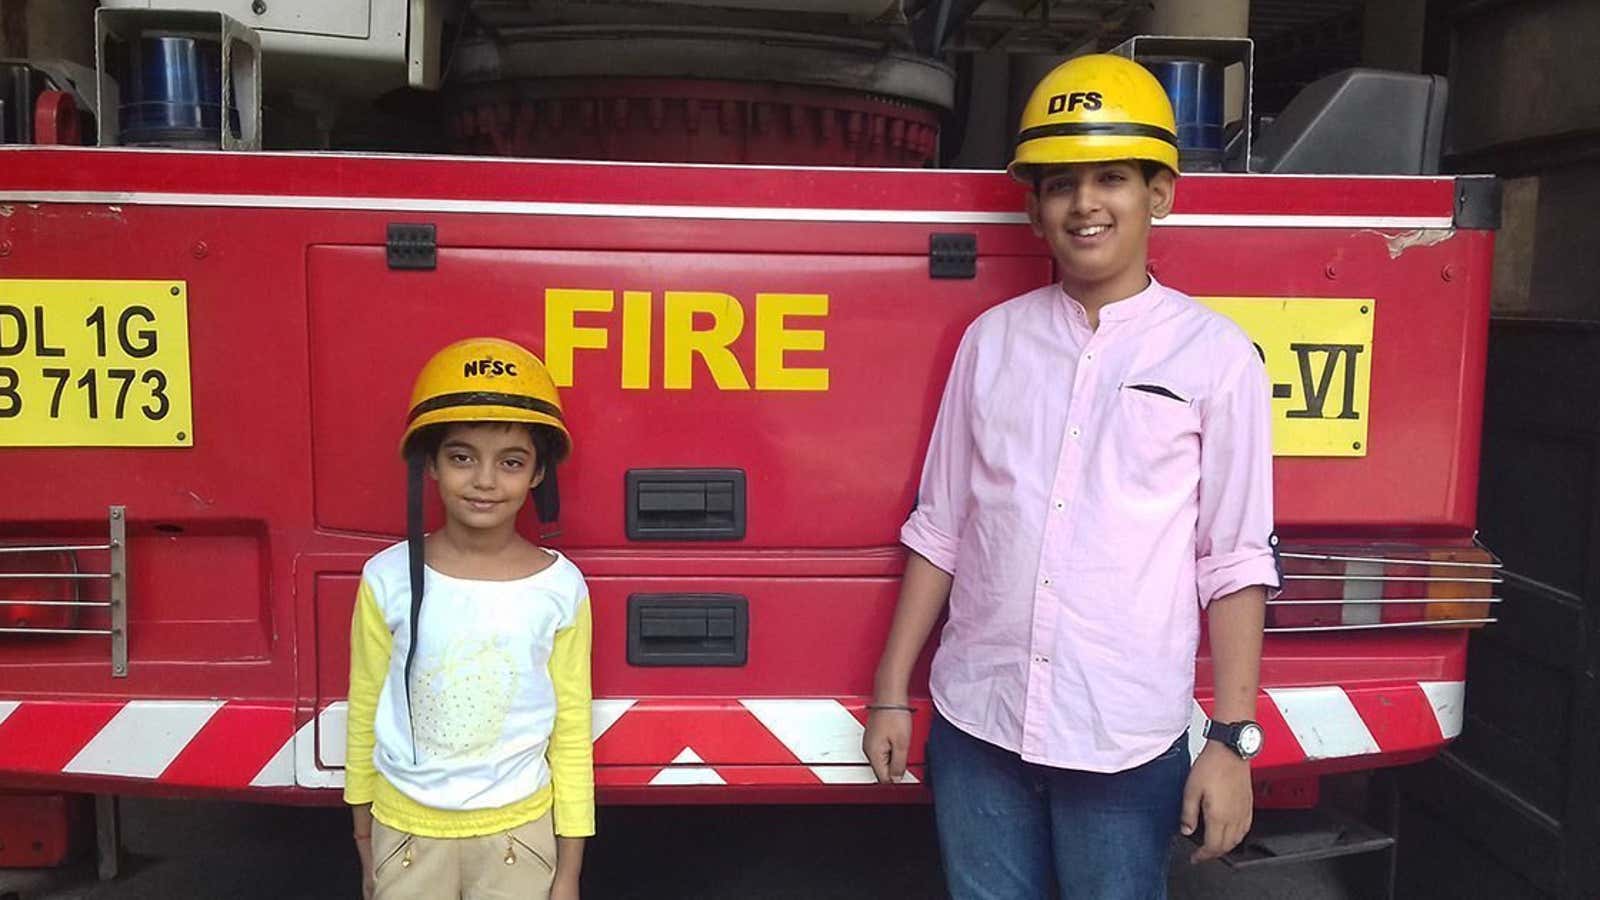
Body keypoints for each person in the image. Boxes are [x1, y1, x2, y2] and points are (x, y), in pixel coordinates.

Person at [861, 53, 1280, 899]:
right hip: (980, 725)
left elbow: (1233, 561)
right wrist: (889, 694)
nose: (1086, 203)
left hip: (1120, 741)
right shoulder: (992, 342)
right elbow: (942, 526)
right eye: (1062, 184)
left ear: (1158, 194)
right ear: (1034, 205)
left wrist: (1231, 742)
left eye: (1113, 178)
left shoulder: (1216, 357)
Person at [345, 337, 593, 900]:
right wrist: (365, 836)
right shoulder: (386, 578)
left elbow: (572, 732)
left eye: (511, 462)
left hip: (519, 838)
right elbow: (365, 708)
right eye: (462, 457)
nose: (485, 480)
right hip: (405, 837)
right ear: (428, 463)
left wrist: (569, 873)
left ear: (537, 476)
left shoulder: (559, 586)